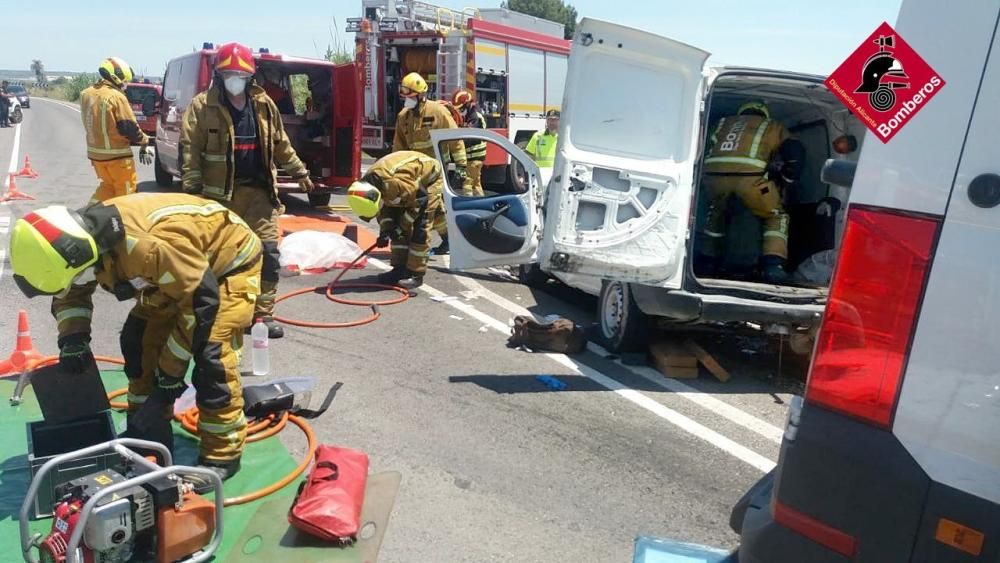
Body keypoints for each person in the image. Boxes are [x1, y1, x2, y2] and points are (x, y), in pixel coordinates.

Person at [10, 193, 263, 488]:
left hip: (225, 269)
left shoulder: (143, 248)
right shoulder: (77, 244)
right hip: (177, 278)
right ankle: (146, 434)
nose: (79, 279)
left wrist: (170, 374)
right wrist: (73, 337)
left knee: (212, 358)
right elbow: (72, 291)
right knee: (138, 340)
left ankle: (221, 455)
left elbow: (197, 305)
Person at [180, 42, 314, 339]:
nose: (234, 78)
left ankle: (262, 316)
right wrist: (192, 192)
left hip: (259, 196)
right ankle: (215, 312)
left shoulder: (263, 104)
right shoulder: (203, 106)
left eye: (240, 73)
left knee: (267, 254)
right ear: (218, 73)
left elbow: (280, 144)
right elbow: (189, 151)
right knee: (218, 258)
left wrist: (300, 173)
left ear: (251, 75)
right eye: (228, 72)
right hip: (219, 199)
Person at [698, 100, 804, 283]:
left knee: (716, 213)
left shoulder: (721, 123)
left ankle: (708, 261)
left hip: (713, 181)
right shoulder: (770, 125)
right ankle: (773, 266)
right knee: (777, 216)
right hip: (752, 183)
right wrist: (789, 177)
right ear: (764, 114)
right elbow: (794, 149)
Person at [346, 151, 445, 289]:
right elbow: (385, 211)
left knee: (421, 227)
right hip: (408, 187)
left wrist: (400, 227)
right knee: (395, 225)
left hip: (428, 182)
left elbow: (420, 202)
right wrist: (386, 231)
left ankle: (416, 274)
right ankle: (399, 270)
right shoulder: (369, 187)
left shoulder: (394, 183)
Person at [392, 72, 466, 255]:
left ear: (421, 95)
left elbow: (454, 138)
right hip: (415, 172)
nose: (407, 100)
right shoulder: (403, 117)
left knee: (429, 206)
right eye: (405, 97)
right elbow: (398, 146)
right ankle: (448, 240)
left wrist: (461, 167)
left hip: (435, 170)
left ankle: (419, 246)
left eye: (410, 97)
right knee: (436, 208)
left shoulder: (438, 112)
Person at [79, 58, 153, 204]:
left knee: (108, 188)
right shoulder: (116, 97)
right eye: (124, 81)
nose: (125, 85)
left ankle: (88, 214)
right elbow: (128, 127)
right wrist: (145, 141)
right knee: (126, 196)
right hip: (117, 158)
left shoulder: (87, 94)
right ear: (116, 77)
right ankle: (123, 224)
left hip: (96, 156)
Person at [452, 89, 487, 197]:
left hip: (474, 157)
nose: (460, 111)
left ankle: (468, 204)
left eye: (461, 108)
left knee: (467, 182)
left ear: (468, 104)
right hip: (473, 157)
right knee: (476, 183)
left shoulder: (475, 117)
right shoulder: (470, 115)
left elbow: (469, 136)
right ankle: (481, 203)